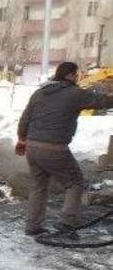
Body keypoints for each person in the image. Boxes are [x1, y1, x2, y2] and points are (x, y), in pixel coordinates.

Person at [16, 61, 113, 236]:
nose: (77, 78)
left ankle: (32, 226)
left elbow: (25, 119)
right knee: (75, 183)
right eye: (76, 74)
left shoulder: (39, 93)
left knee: (38, 186)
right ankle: (67, 224)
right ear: (70, 75)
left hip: (32, 146)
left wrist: (22, 139)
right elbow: (101, 101)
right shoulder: (74, 94)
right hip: (53, 148)